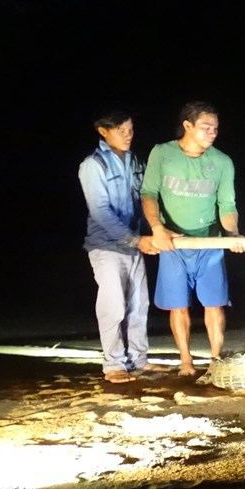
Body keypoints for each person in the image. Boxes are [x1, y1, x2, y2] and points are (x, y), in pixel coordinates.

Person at [141, 101, 245, 377]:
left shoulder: (222, 162)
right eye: (205, 127)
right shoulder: (162, 153)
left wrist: (233, 235)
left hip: (209, 242)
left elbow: (227, 204)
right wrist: (157, 228)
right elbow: (149, 193)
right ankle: (186, 360)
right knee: (178, 305)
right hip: (173, 242)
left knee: (215, 303)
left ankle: (216, 360)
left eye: (215, 128)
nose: (212, 132)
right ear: (187, 125)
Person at [78, 108, 170, 383]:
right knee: (114, 305)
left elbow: (142, 202)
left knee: (139, 304)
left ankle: (139, 360)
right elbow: (101, 212)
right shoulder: (93, 165)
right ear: (103, 131)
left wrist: (158, 229)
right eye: (121, 130)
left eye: (130, 129)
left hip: (133, 244)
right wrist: (137, 240)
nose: (128, 135)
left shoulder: (133, 162)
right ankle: (113, 365)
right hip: (105, 247)